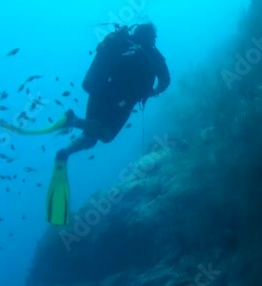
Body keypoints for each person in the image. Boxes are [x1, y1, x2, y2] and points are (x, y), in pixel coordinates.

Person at [46, 22, 170, 224]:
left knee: (91, 135)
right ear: (150, 37)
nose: (155, 40)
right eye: (154, 37)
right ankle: (74, 121)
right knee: (106, 135)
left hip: (100, 91)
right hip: (122, 101)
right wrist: (153, 91)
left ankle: (65, 153)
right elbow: (165, 80)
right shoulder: (152, 54)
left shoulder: (119, 43)